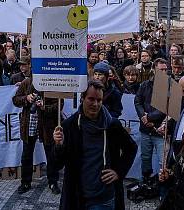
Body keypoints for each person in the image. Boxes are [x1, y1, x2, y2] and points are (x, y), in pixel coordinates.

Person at [53, 80, 137, 210]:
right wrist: (59, 145)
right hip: (77, 195)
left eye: (99, 100)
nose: (95, 104)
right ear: (82, 98)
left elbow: (131, 148)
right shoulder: (69, 126)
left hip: (104, 197)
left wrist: (118, 171)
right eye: (91, 99)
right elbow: (58, 163)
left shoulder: (112, 125)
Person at [12, 73, 61, 194]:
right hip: (29, 124)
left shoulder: (52, 82)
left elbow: (59, 105)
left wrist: (45, 107)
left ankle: (53, 182)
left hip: (46, 126)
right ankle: (25, 182)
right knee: (27, 155)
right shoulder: (27, 82)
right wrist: (26, 98)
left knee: (50, 155)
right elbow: (15, 100)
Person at [134, 61, 167, 182]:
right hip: (145, 130)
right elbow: (138, 101)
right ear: (154, 70)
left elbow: (165, 108)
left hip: (160, 131)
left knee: (162, 160)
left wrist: (149, 118)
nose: (164, 72)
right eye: (161, 70)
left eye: (165, 70)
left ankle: (162, 183)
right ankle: (146, 180)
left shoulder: (169, 87)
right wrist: (143, 116)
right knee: (145, 157)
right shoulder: (144, 85)